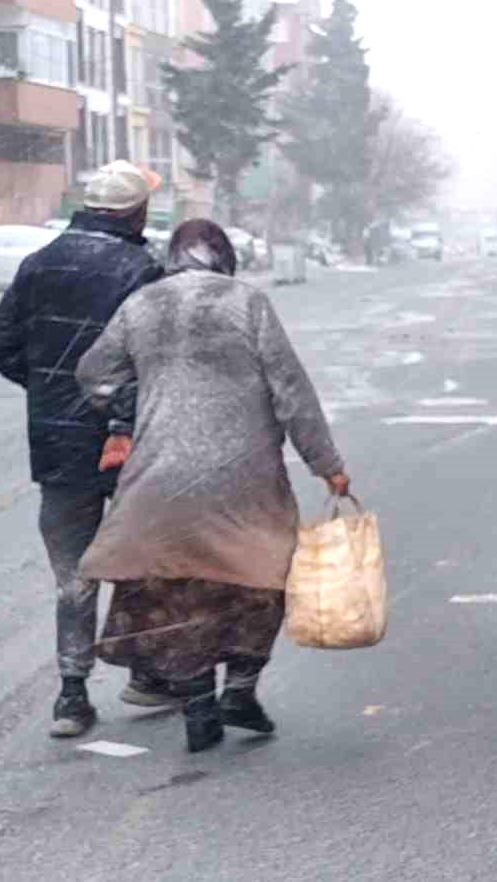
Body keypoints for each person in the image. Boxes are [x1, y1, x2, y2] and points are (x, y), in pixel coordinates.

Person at [74, 219, 351, 753]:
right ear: (225, 258)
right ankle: (240, 690)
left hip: (159, 474)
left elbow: (93, 373)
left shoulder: (141, 305)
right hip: (243, 476)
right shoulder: (247, 304)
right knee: (260, 579)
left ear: (173, 257)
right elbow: (290, 390)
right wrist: (327, 464)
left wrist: (132, 404)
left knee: (178, 589)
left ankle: (199, 702)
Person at [0, 160, 168, 738]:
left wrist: (46, 387)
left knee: (73, 573)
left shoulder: (37, 265)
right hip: (129, 443)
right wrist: (122, 412)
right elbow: (152, 362)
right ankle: (146, 673)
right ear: (136, 212)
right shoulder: (140, 270)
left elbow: (0, 343)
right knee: (141, 559)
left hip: (58, 443)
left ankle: (71, 694)